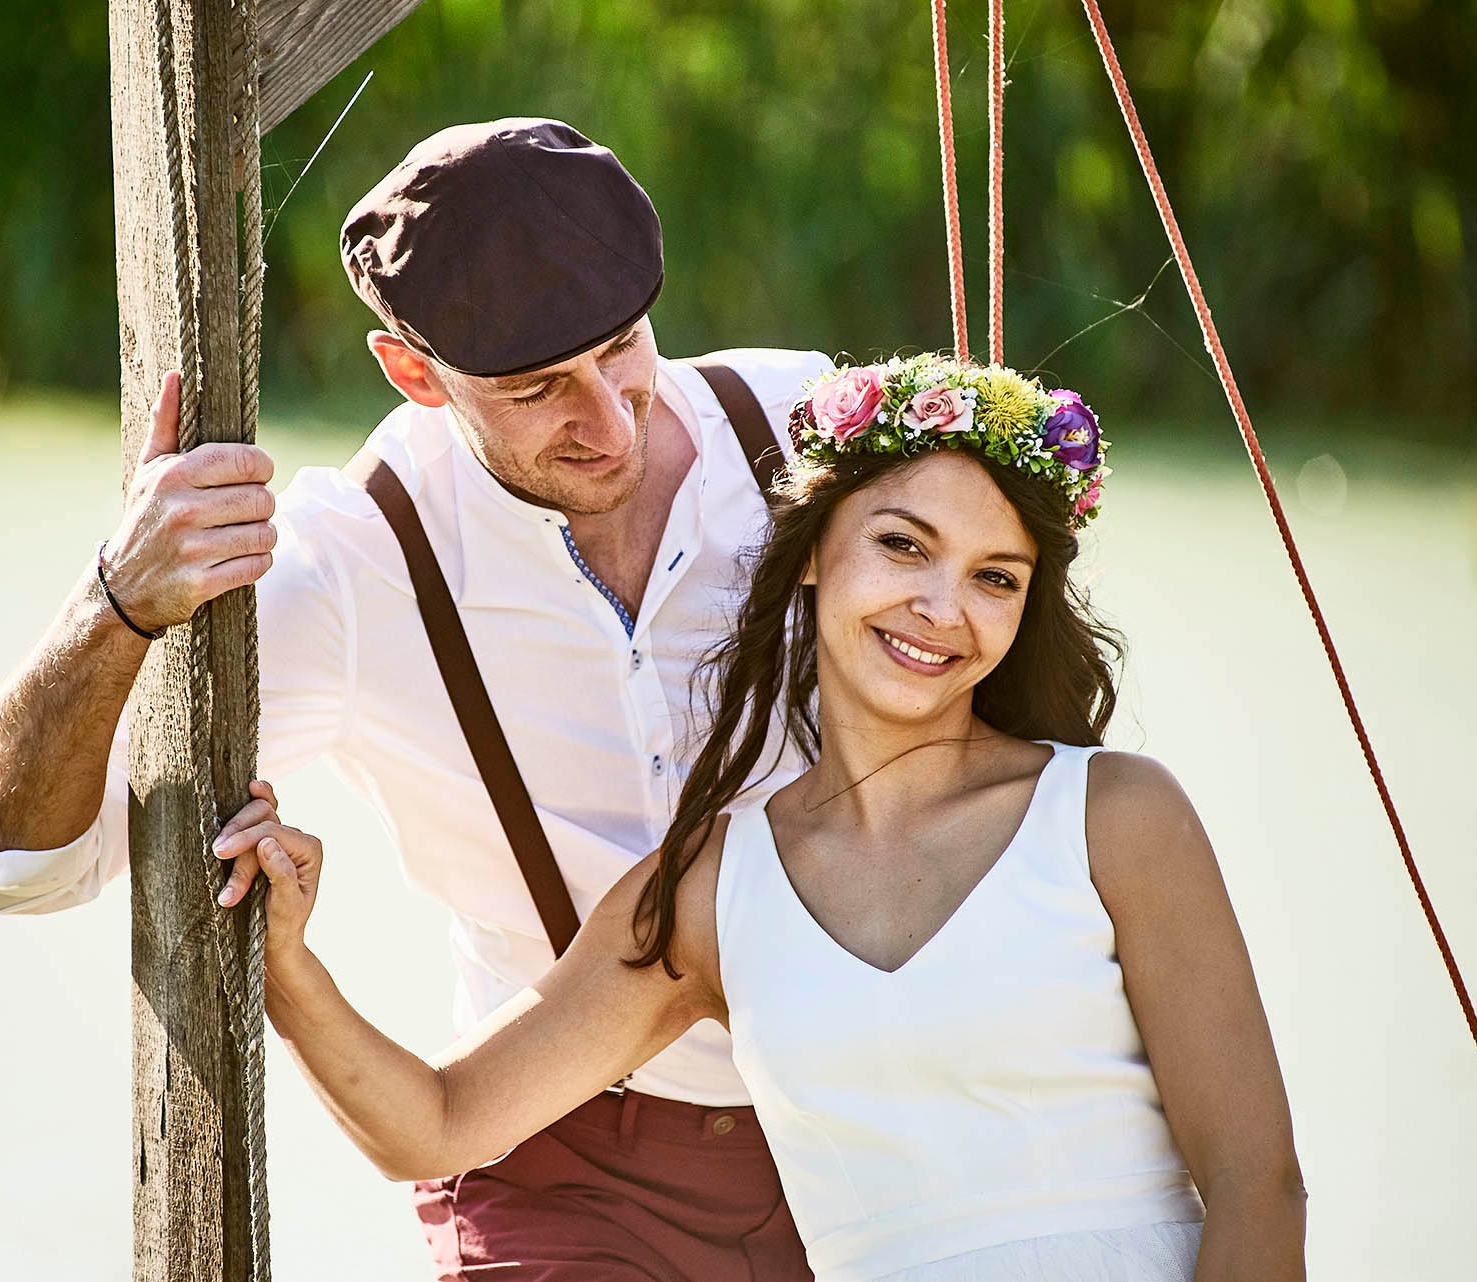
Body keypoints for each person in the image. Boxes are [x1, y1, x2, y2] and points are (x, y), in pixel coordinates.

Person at [0, 118, 832, 1277]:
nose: (611, 421)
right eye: (538, 388)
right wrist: (118, 599)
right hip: (557, 1160)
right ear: (413, 372)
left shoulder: (811, 425)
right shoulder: (355, 567)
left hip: (862, 1125)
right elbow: (11, 861)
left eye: (623, 348)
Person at [222, 355, 1309, 1281]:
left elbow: (1258, 1185)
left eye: (996, 577)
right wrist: (287, 968)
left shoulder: (1116, 815)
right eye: (902, 546)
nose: (943, 608)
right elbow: (443, 1122)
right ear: (811, 556)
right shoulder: (712, 888)